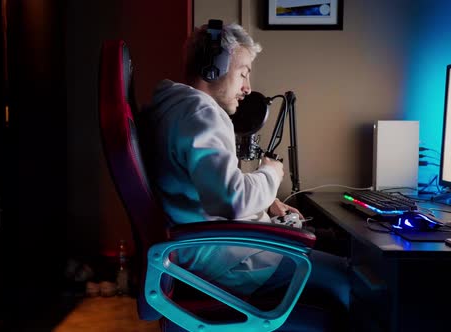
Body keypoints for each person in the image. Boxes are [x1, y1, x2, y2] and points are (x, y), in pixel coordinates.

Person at [139, 20, 350, 324]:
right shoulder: (202, 113)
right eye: (244, 72)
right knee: (352, 279)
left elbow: (210, 189)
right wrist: (271, 173)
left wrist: (266, 202)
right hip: (226, 260)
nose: (248, 88)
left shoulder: (172, 107)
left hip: (204, 248)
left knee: (327, 242)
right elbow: (231, 199)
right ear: (214, 68)